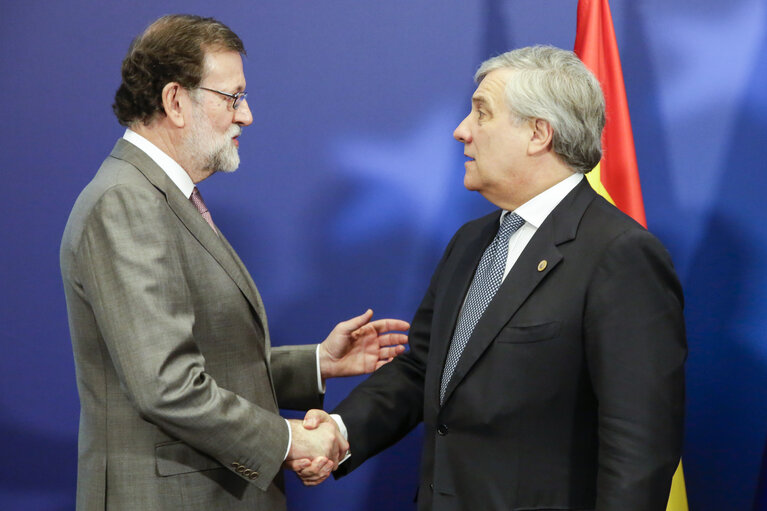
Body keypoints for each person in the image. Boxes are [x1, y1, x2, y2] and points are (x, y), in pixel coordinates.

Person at [289, 45, 687, 510]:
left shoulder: (619, 255)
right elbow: (422, 369)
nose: (461, 131)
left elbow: (639, 447)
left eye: (482, 114)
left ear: (539, 133)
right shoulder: (471, 241)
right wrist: (339, 431)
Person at [60, 14, 408, 511]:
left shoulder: (161, 197)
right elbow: (167, 386)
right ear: (175, 101)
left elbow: (202, 359)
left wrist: (316, 364)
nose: (246, 116)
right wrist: (290, 440)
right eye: (233, 97)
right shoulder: (127, 204)